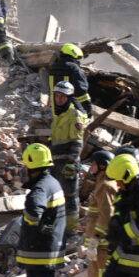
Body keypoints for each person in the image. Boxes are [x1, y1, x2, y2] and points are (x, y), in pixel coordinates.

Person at [17, 143, 67, 277]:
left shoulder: (40, 188)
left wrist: (22, 221)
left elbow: (33, 215)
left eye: (25, 165)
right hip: (49, 246)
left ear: (31, 167)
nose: (22, 169)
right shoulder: (52, 182)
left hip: (40, 250)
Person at [51, 80, 88, 232]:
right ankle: (58, 226)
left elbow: (77, 142)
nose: (59, 99)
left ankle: (71, 230)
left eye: (62, 97)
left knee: (70, 196)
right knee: (56, 196)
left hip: (68, 163)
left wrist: (72, 163)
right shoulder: (59, 114)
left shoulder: (74, 115)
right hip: (56, 162)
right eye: (57, 96)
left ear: (69, 98)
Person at [83, 150, 118, 277]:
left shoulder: (105, 186)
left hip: (101, 245)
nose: (91, 167)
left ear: (103, 166)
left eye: (93, 164)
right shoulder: (102, 184)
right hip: (99, 244)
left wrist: (95, 238)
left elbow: (107, 215)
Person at [48, 43, 92, 115]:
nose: (78, 61)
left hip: (56, 107)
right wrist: (87, 110)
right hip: (72, 109)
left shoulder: (53, 67)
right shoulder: (74, 68)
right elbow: (81, 89)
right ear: (74, 55)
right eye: (78, 58)